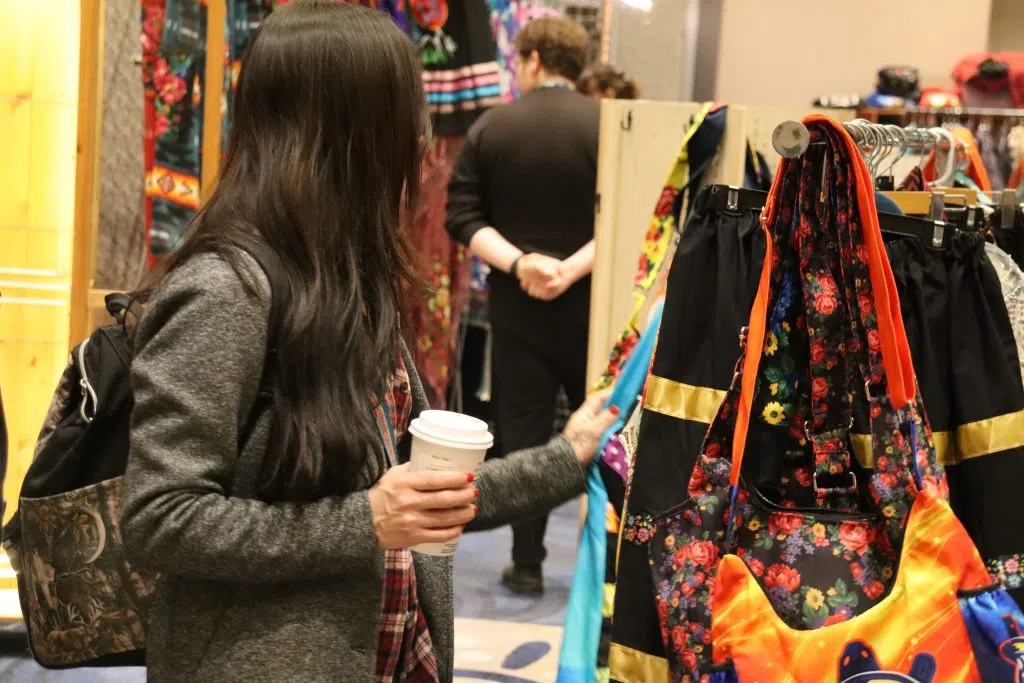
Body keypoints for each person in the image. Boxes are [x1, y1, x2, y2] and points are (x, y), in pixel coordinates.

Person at [121, 3, 616, 681]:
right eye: (404, 115)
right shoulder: (226, 289)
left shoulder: (347, 281)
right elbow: (160, 517)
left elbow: (412, 493)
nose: (420, 143)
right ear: (349, 132)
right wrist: (367, 521)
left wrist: (569, 455)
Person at [445, 16, 598, 597]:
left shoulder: (492, 126)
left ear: (533, 60)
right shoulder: (608, 126)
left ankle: (527, 562)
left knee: (525, 434)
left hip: (518, 308)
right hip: (591, 307)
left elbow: (461, 217)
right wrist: (570, 268)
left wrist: (522, 264)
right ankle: (603, 568)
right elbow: (634, 217)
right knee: (605, 432)